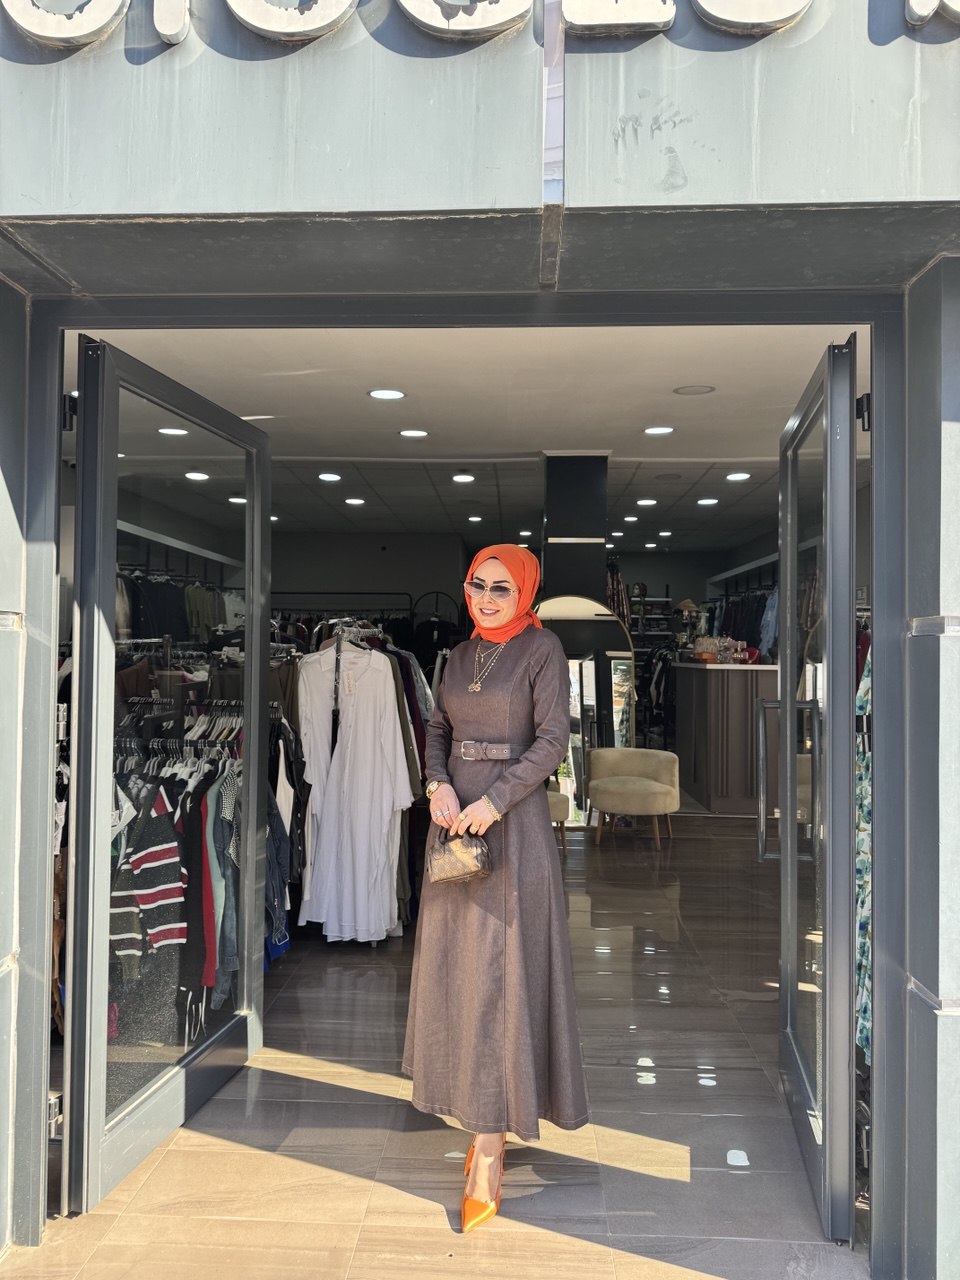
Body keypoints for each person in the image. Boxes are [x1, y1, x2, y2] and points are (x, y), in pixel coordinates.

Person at [401, 544, 589, 1233]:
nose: (485, 597)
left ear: (525, 592)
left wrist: (496, 799)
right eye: (477, 585)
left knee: (501, 979)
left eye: (501, 588)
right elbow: (437, 728)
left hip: (512, 830)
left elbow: (552, 741)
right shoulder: (457, 655)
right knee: (459, 974)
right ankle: (474, 1111)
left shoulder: (543, 650)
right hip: (454, 830)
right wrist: (437, 783)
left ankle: (488, 1147)